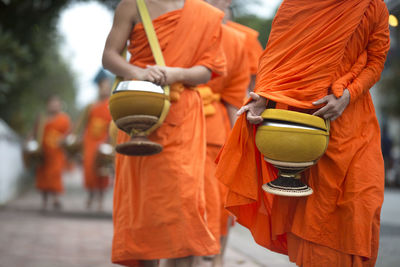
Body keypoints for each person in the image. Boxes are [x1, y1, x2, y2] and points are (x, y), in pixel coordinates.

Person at [215, 0, 390, 266]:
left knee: (359, 204)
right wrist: (262, 97)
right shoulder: (296, 3)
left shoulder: (372, 5)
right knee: (311, 213)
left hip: (354, 122)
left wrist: (348, 96)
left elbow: (376, 60)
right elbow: (277, 59)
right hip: (300, 125)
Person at [102, 0, 226, 266]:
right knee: (145, 210)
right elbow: (110, 56)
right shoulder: (132, 5)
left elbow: (207, 70)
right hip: (138, 113)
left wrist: (175, 73)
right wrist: (138, 72)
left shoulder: (205, 14)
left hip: (183, 119)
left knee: (184, 207)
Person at [200, 0, 250, 266]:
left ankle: (218, 257)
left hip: (215, 131)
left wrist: (238, 144)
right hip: (178, 122)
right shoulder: (183, 25)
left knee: (220, 200)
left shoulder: (234, 41)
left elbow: (234, 100)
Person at [82, 70, 113, 211]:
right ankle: (90, 196)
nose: (104, 89)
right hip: (90, 141)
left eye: (107, 86)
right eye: (102, 86)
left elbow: (113, 126)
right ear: (98, 87)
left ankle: (100, 201)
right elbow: (83, 124)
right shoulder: (91, 106)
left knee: (103, 171)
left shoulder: (112, 105)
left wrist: (110, 142)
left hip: (104, 141)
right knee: (89, 170)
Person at [35, 95, 70, 210]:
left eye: (56, 103)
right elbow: (34, 132)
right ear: (47, 105)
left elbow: (69, 134)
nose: (54, 105)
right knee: (43, 176)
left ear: (60, 105)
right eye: (51, 103)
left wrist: (64, 141)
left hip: (57, 153)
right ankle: (44, 202)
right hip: (43, 153)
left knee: (55, 174)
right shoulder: (42, 119)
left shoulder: (64, 119)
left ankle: (56, 198)